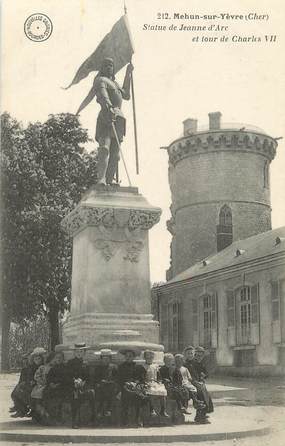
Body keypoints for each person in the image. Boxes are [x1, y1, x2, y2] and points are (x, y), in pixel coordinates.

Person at [76, 57, 133, 185]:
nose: (109, 68)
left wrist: (128, 74)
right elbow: (102, 95)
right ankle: (101, 179)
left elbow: (126, 95)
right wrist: (108, 107)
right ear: (102, 68)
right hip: (106, 115)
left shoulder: (115, 84)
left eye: (111, 66)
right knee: (104, 149)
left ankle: (110, 180)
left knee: (115, 154)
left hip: (119, 118)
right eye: (106, 65)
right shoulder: (101, 80)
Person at [10, 347, 46, 418]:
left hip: (38, 385)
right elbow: (28, 377)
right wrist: (27, 382)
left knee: (22, 392)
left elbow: (40, 377)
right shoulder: (32, 367)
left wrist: (32, 382)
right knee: (16, 392)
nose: (37, 360)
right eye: (35, 359)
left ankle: (24, 409)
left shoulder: (43, 367)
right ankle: (20, 408)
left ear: (42, 359)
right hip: (31, 384)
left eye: (39, 359)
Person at [66, 342, 95, 428]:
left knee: (92, 393)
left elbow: (88, 377)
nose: (79, 354)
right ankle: (75, 421)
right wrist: (74, 381)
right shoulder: (70, 363)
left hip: (83, 385)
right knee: (75, 396)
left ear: (84, 353)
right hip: (72, 385)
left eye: (81, 352)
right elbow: (67, 376)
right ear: (74, 353)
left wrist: (83, 382)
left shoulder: (85, 363)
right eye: (77, 352)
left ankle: (92, 419)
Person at [117, 349, 146, 427]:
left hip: (136, 387)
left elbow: (142, 379)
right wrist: (124, 385)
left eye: (130, 356)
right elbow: (119, 380)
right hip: (125, 387)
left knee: (139, 396)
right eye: (126, 356)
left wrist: (136, 383)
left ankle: (138, 419)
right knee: (125, 397)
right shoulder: (121, 367)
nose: (128, 358)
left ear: (133, 357)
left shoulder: (138, 367)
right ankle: (125, 420)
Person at [185, 346, 213, 424]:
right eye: (188, 354)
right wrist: (195, 382)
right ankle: (200, 416)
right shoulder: (185, 364)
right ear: (185, 355)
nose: (190, 355)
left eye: (191, 353)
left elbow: (204, 372)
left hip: (198, 382)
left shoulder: (196, 363)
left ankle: (202, 414)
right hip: (189, 383)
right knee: (201, 393)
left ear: (193, 354)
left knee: (206, 393)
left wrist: (203, 377)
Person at [30, 352, 56, 424]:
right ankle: (39, 415)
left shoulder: (55, 368)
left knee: (44, 400)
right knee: (37, 399)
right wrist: (42, 382)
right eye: (54, 359)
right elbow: (37, 376)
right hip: (41, 385)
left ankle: (45, 416)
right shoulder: (43, 367)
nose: (55, 361)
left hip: (49, 386)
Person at [142, 350, 169, 418]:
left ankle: (163, 410)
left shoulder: (155, 366)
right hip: (147, 382)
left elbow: (159, 376)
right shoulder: (143, 366)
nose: (150, 359)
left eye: (151, 357)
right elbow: (142, 376)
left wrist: (159, 381)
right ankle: (152, 409)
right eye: (148, 357)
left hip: (155, 382)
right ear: (145, 358)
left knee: (163, 391)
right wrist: (145, 383)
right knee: (151, 391)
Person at [93, 349, 118, 419]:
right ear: (101, 359)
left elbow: (116, 378)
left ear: (110, 359)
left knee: (110, 389)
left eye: (107, 359)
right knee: (102, 389)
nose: (106, 360)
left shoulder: (114, 367)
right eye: (104, 359)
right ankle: (106, 410)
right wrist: (100, 382)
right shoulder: (98, 368)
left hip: (111, 386)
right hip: (101, 387)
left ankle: (104, 410)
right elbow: (95, 379)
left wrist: (111, 382)